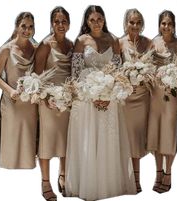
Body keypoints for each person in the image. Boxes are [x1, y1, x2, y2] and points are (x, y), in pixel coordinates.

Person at [65, 5, 136, 201]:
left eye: (99, 19)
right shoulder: (81, 41)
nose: (96, 23)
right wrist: (92, 95)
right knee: (89, 140)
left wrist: (109, 94)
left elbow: (118, 72)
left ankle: (109, 185)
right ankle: (88, 185)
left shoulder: (113, 40)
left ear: (104, 20)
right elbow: (76, 74)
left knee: (107, 140)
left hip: (110, 99)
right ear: (86, 22)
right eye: (92, 20)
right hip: (87, 100)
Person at [33, 6, 73, 201]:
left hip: (67, 100)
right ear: (51, 23)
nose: (60, 25)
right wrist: (46, 98)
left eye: (64, 21)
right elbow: (36, 75)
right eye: (56, 21)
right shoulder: (45, 45)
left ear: (69, 24)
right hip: (48, 100)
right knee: (48, 141)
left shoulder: (71, 44)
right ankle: (45, 182)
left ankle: (63, 175)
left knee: (66, 139)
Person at [147, 10, 177, 193]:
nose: (166, 26)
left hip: (172, 97)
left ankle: (169, 172)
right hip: (155, 96)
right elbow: (147, 66)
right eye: (163, 23)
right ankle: (158, 171)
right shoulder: (153, 43)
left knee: (169, 135)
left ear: (174, 25)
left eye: (169, 23)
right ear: (159, 25)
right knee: (155, 134)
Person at [0, 12, 38, 169]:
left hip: (30, 103)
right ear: (16, 27)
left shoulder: (36, 49)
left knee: (28, 140)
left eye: (30, 27)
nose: (27, 30)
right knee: (12, 141)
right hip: (12, 101)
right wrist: (10, 91)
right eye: (23, 26)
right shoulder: (6, 49)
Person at [119, 8, 152, 193]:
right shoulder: (119, 42)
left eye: (138, 22)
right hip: (125, 97)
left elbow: (153, 67)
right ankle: (123, 178)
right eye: (132, 22)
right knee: (124, 137)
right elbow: (114, 68)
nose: (135, 26)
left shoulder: (148, 43)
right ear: (126, 23)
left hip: (142, 96)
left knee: (137, 138)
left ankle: (136, 179)